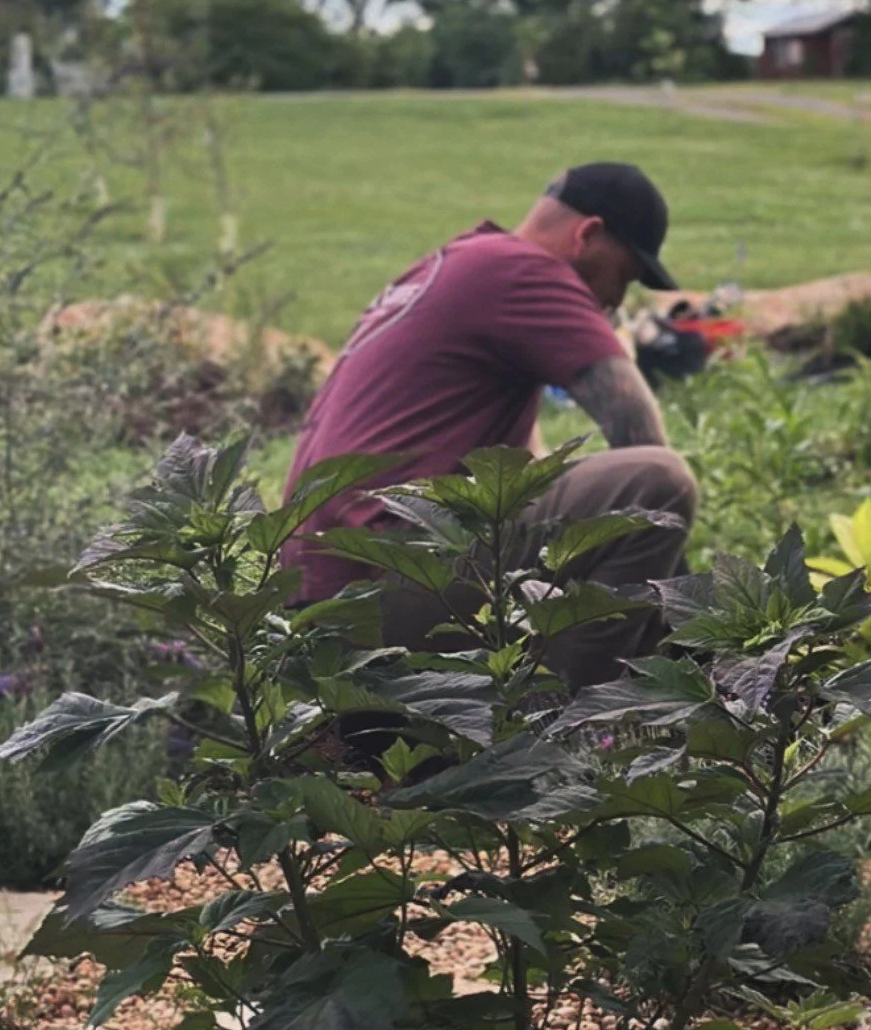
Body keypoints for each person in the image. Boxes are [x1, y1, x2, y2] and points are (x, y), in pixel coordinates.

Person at [279, 162, 699, 690]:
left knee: (593, 516)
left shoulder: (458, 265)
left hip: (319, 600)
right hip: (377, 582)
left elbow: (533, 477)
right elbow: (635, 427)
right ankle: (586, 729)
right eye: (627, 276)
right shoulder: (527, 271)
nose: (617, 301)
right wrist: (690, 617)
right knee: (658, 482)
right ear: (587, 234)